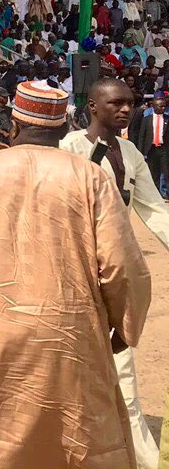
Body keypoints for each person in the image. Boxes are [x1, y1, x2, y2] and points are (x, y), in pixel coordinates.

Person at [0, 80, 151, 469]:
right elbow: (122, 265)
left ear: (14, 125)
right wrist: (126, 326)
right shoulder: (90, 177)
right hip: (72, 333)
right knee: (79, 435)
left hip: (0, 330)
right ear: (62, 127)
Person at [60, 77, 169, 469]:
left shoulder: (131, 152)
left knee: (122, 372)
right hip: (70, 275)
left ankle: (142, 460)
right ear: (92, 106)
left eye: (130, 104)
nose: (125, 110)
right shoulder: (67, 148)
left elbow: (155, 210)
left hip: (114, 276)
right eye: (116, 104)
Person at [132, 91, 169, 197]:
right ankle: (155, 194)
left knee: (166, 172)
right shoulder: (147, 119)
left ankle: (166, 193)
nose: (163, 109)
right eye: (160, 106)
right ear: (154, 106)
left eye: (164, 107)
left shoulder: (167, 119)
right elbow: (142, 136)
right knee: (153, 172)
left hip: (163, 149)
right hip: (151, 149)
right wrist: (140, 151)